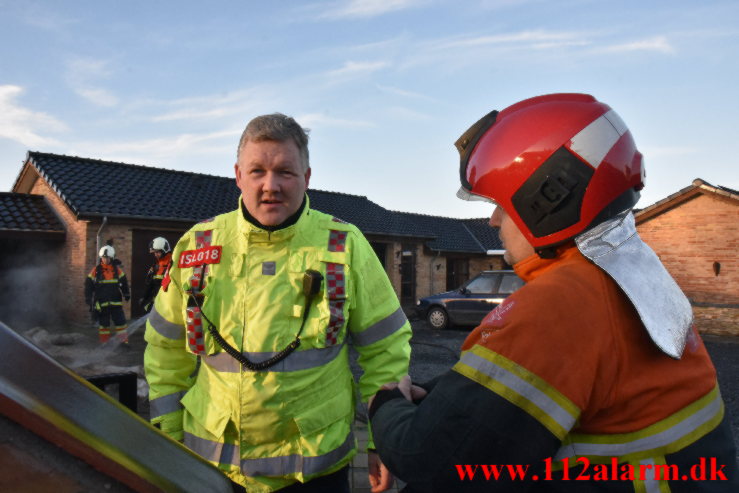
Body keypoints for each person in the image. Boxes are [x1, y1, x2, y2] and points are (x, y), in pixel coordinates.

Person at [368, 93, 738, 491]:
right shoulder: (625, 271)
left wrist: (385, 407)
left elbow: (433, 458)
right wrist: (443, 394)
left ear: (545, 199)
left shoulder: (563, 301)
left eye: (500, 204)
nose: (492, 220)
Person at [144, 113, 412, 493]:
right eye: (257, 171)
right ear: (238, 176)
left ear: (306, 178)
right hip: (213, 467)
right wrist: (167, 435)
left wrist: (380, 440)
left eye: (285, 171)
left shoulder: (345, 245)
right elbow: (166, 349)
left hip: (315, 473)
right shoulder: (199, 246)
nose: (270, 185)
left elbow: (385, 349)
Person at [85, 245, 131, 343]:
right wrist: (88, 298)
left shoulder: (117, 271)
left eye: (108, 258)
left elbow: (124, 283)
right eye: (104, 258)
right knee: (104, 325)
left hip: (116, 304)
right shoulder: (96, 271)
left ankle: (123, 343)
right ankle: (104, 344)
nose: (105, 260)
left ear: (112, 258)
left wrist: (126, 294)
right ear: (101, 258)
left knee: (121, 324)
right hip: (102, 305)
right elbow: (88, 285)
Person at [139, 236, 172, 313]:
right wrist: (144, 297)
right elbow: (150, 284)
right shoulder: (156, 266)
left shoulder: (173, 263)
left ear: (164, 249)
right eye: (154, 253)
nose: (155, 255)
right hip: (157, 304)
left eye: (157, 252)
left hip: (168, 304)